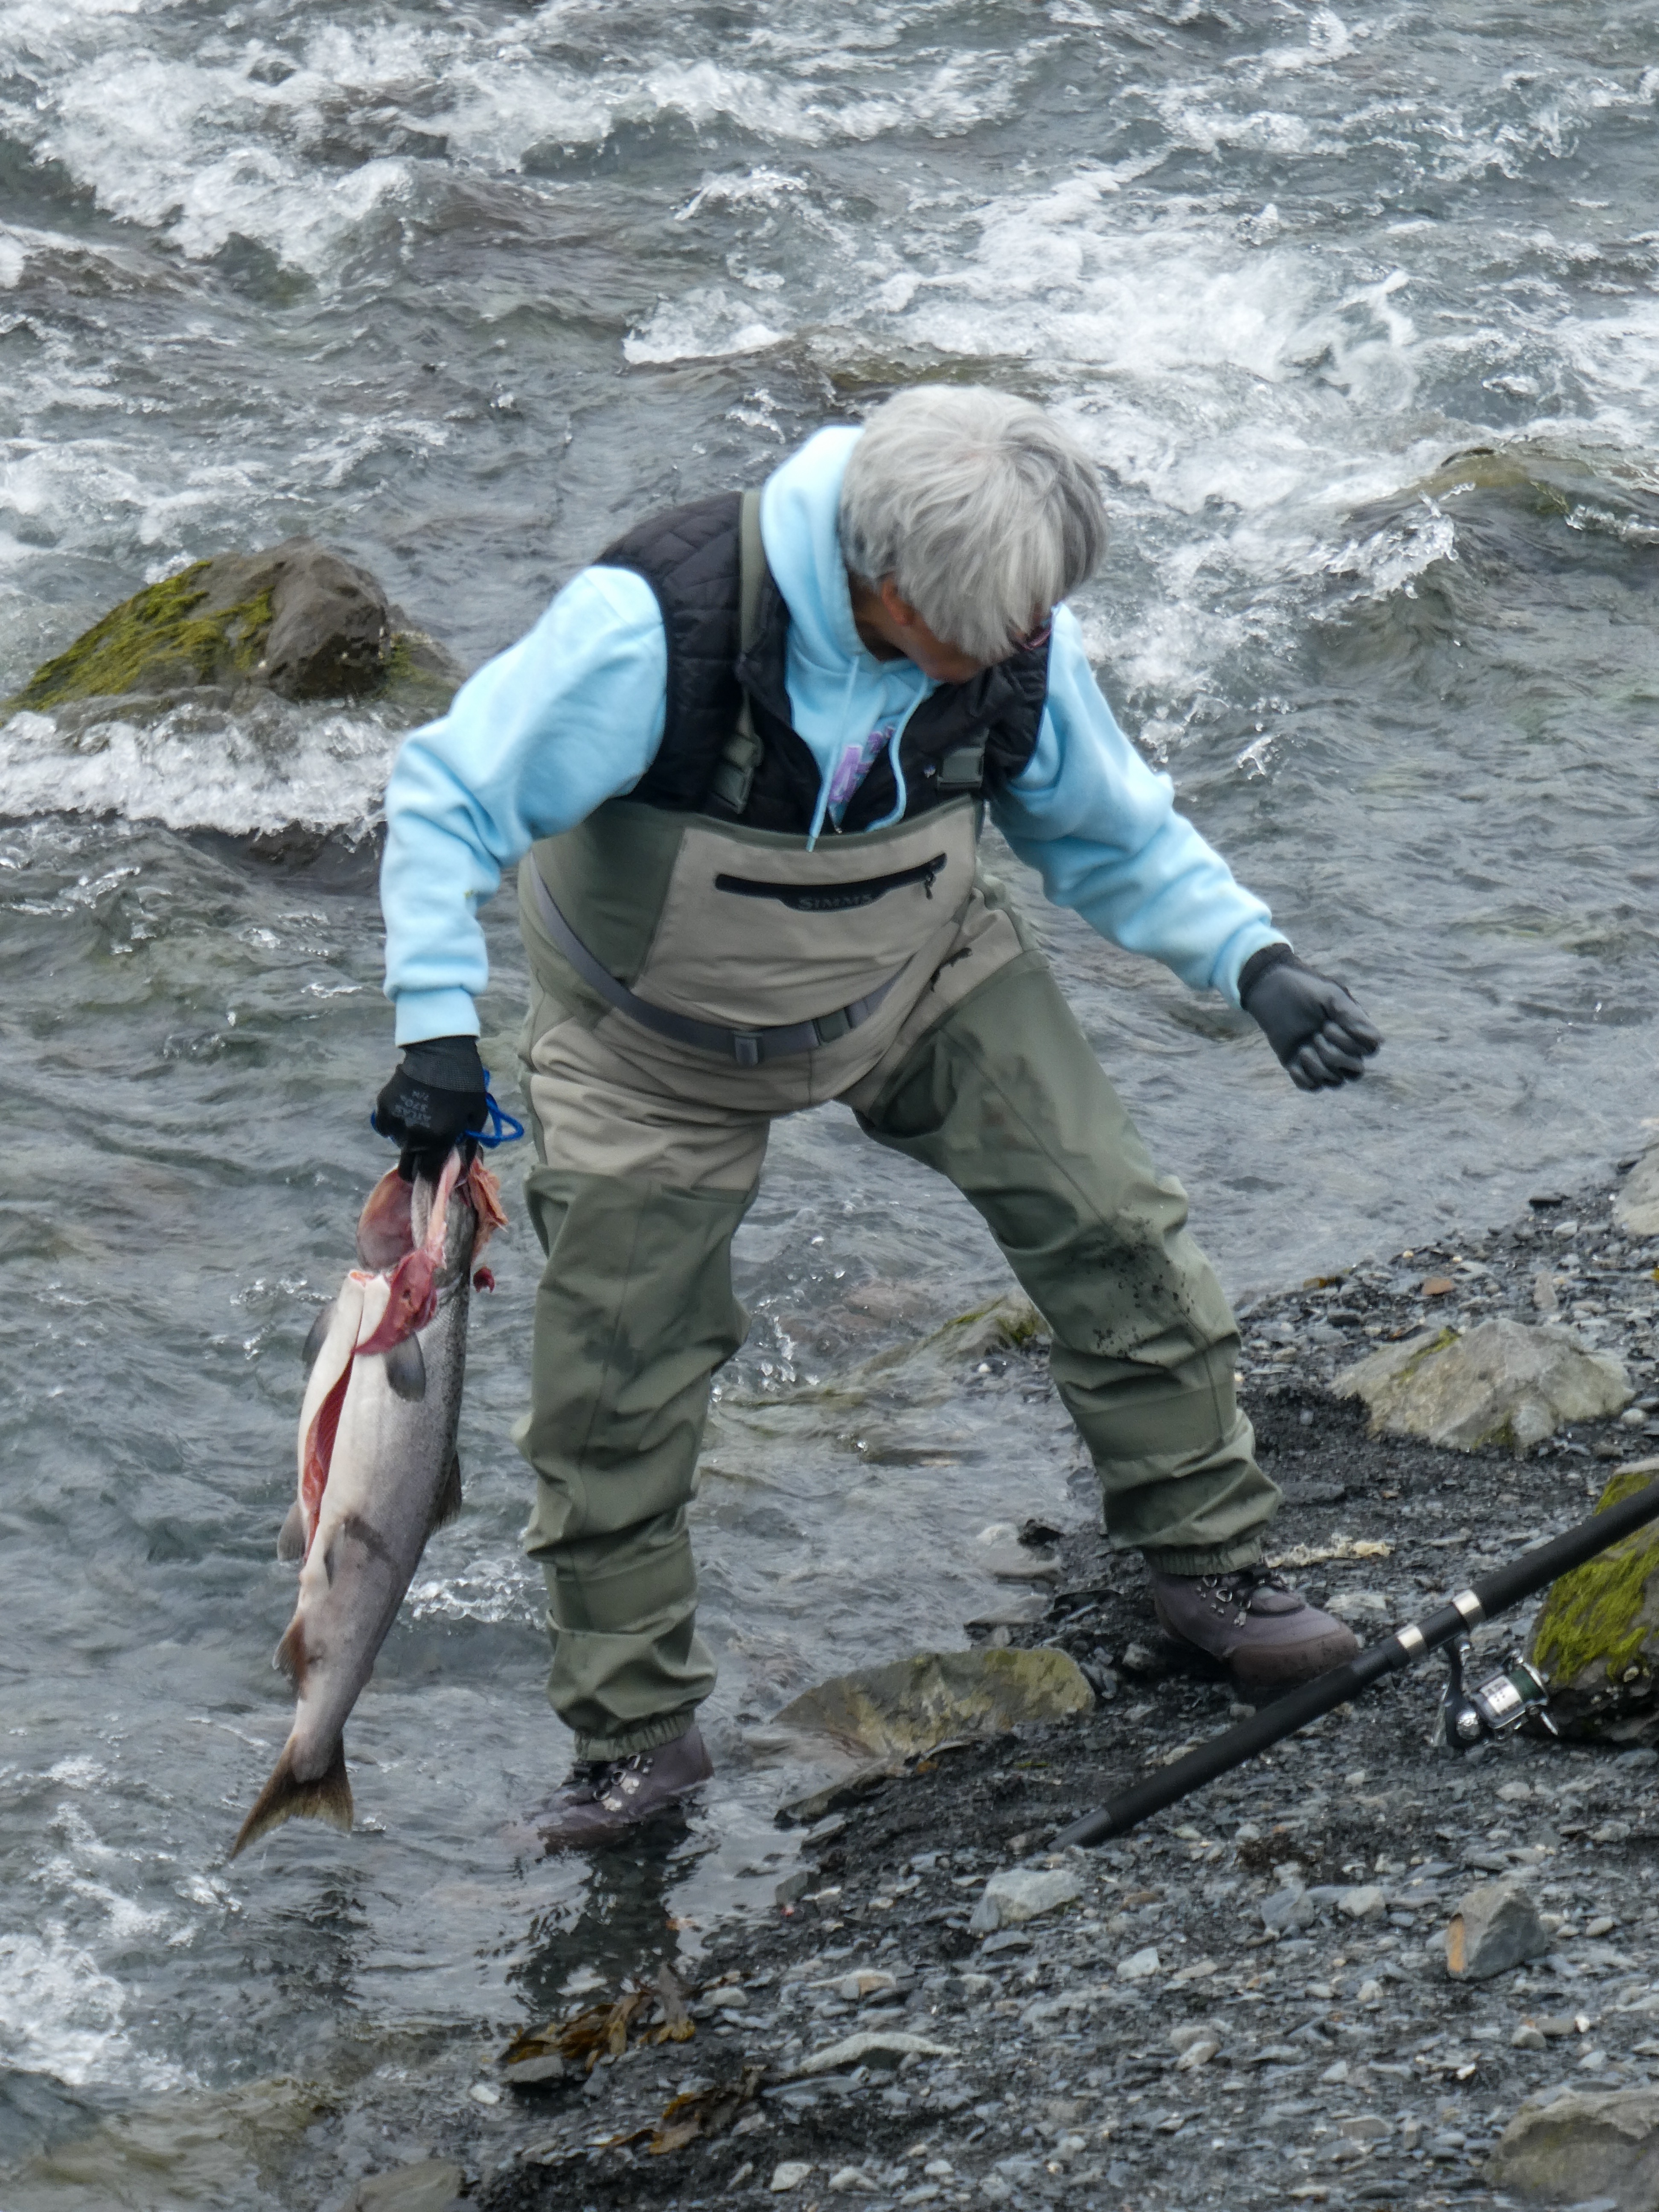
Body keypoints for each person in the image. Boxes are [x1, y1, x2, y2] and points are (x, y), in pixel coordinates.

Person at [373, 385, 1383, 1848]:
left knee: (1114, 1224)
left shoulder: (1011, 628)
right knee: (614, 1388)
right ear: (887, 585)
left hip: (917, 975)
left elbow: (1108, 824)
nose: (1025, 643)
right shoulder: (653, 630)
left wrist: (1254, 962)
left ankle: (1208, 1566)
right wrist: (436, 1036)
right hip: (651, 1042)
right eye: (996, 626)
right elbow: (445, 798)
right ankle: (633, 1737)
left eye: (1038, 618)